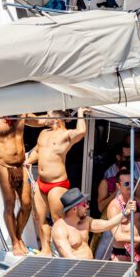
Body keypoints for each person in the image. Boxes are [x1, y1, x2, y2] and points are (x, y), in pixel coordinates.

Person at [0, 114, 44, 256]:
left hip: (21, 163)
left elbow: (40, 121)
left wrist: (59, 116)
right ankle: (14, 241)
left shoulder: (21, 114)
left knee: (27, 204)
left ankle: (18, 236)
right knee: (10, 204)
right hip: (3, 166)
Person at [26, 109, 89, 255]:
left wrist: (80, 112)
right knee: (38, 218)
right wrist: (28, 160)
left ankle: (65, 252)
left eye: (48, 115)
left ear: (57, 118)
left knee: (58, 220)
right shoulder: (43, 133)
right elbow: (37, 150)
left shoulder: (65, 135)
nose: (44, 118)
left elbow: (81, 131)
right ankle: (46, 249)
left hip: (57, 184)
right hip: (41, 182)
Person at [51, 188, 137, 260]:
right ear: (74, 209)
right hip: (74, 273)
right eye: (84, 204)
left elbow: (108, 224)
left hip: (89, 268)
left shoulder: (86, 221)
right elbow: (68, 257)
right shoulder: (60, 229)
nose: (87, 207)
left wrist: (125, 212)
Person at [106, 168, 140, 273]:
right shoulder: (114, 207)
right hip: (121, 254)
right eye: (127, 184)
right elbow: (118, 237)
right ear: (119, 186)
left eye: (133, 183)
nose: (131, 186)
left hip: (138, 252)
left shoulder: (139, 202)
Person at [102, 140, 140, 217]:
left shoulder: (139, 165)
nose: (131, 160)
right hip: (120, 210)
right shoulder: (109, 173)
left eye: (132, 157)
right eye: (127, 157)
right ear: (118, 157)